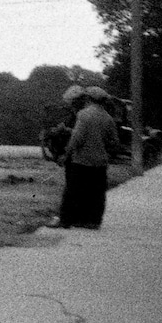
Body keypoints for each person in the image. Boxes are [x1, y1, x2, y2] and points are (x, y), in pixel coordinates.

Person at [58, 87, 121, 229]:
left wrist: (66, 154)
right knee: (97, 193)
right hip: (100, 162)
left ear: (89, 99)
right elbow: (115, 143)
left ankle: (66, 220)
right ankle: (93, 221)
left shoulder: (83, 115)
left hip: (82, 161)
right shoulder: (108, 118)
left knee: (73, 191)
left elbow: (76, 139)